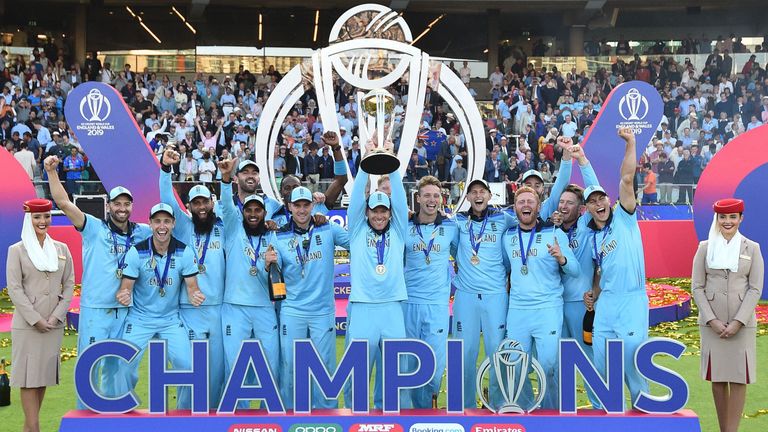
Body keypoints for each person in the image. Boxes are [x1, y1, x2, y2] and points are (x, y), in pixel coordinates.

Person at [43, 156, 152, 408]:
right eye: (117, 203)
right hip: (96, 310)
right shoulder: (92, 228)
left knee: (121, 367)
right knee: (89, 367)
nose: (122, 208)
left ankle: (118, 414)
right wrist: (51, 172)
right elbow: (62, 202)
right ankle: (86, 419)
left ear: (131, 206)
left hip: (127, 311)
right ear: (109, 206)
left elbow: (169, 226)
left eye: (126, 204)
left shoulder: (142, 232)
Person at [115, 203, 205, 409]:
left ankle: (184, 412)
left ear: (173, 224)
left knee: (187, 366)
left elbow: (193, 288)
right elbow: (125, 288)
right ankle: (123, 411)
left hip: (170, 321)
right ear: (150, 224)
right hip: (140, 319)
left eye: (166, 221)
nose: (161, 226)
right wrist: (123, 295)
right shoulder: (137, 252)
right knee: (123, 365)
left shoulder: (185, 251)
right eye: (157, 221)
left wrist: (196, 296)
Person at [583, 128, 649, 410]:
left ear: (609, 202)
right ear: (587, 208)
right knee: (601, 364)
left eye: (601, 199)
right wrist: (593, 293)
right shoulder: (592, 237)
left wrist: (631, 143)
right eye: (593, 201)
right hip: (607, 303)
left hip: (632, 300)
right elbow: (601, 272)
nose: (599, 203)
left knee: (633, 362)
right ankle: (605, 418)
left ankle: (643, 415)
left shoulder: (625, 217)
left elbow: (626, 178)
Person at [269, 186, 349, 409]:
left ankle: (326, 416)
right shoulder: (279, 235)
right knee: (291, 365)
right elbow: (274, 273)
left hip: (322, 311)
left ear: (312, 206)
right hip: (292, 309)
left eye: (306, 205)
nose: (302, 210)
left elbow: (357, 241)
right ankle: (289, 416)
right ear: (289, 207)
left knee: (324, 367)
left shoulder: (328, 228)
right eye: (297, 205)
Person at [343, 138, 409, 409]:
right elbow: (357, 198)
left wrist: (391, 163)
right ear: (367, 212)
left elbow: (402, 200)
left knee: (394, 372)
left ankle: (389, 415)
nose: (379, 215)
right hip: (362, 308)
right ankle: (354, 416)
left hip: (392, 306)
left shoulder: (398, 230)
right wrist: (365, 162)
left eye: (384, 211)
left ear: (390, 213)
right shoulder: (357, 231)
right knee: (357, 372)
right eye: (374, 210)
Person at [159, 149, 227, 407]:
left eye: (204, 202)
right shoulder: (185, 227)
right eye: (195, 203)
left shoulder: (222, 226)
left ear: (212, 203)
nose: (201, 207)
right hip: (189, 310)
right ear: (189, 207)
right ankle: (185, 422)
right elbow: (167, 197)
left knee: (217, 374)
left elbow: (232, 205)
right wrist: (166, 169)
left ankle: (216, 424)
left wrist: (226, 178)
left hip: (218, 309)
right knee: (189, 375)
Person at [691, 198, 763, 432]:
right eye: (723, 217)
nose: (728, 221)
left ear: (741, 218)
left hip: (742, 326)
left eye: (733, 217)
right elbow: (697, 287)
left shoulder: (752, 248)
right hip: (712, 324)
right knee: (719, 379)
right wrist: (711, 320)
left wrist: (738, 322)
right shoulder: (705, 248)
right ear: (717, 219)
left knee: (739, 378)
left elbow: (755, 288)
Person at [504, 186, 579, 410]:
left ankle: (550, 413)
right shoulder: (507, 236)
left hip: (547, 308)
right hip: (517, 310)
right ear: (515, 207)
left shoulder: (554, 233)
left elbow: (575, 270)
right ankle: (526, 410)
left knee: (548, 365)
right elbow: (509, 268)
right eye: (521, 202)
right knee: (516, 366)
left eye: (530, 201)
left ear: (539, 207)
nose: (526, 205)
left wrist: (562, 258)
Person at [6, 199, 74, 432]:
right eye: (37, 217)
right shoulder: (17, 250)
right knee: (28, 379)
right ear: (28, 219)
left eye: (46, 216)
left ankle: (29, 429)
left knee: (42, 378)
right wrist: (36, 319)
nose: (42, 221)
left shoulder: (61, 249)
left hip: (53, 326)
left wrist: (55, 317)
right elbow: (15, 289)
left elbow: (69, 286)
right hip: (28, 326)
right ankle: (34, 428)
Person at [218, 157, 280, 409]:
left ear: (265, 213)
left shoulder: (273, 233)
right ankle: (237, 418)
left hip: (265, 308)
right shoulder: (233, 228)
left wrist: (270, 266)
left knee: (271, 366)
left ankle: (271, 417)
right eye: (249, 210)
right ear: (241, 211)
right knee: (235, 368)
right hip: (235, 308)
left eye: (258, 210)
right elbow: (225, 205)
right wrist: (224, 179)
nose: (253, 214)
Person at [452, 178, 518, 409]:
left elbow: (527, 223)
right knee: (464, 354)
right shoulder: (458, 221)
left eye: (482, 191)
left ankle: (498, 404)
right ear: (467, 197)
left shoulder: (504, 219)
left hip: (495, 295)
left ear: (490, 196)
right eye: (473, 192)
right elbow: (451, 247)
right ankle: (463, 405)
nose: (478, 196)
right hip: (466, 295)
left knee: (498, 353)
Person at [550, 145, 602, 408]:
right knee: (557, 360)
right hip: (556, 305)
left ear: (581, 208)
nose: (564, 205)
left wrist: (583, 160)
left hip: (582, 305)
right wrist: (565, 161)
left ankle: (599, 408)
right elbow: (556, 188)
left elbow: (596, 194)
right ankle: (560, 411)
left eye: (570, 203)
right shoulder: (552, 229)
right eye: (561, 202)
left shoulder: (584, 226)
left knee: (589, 358)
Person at [403, 176, 458, 408]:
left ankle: (427, 412)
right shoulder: (404, 226)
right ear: (417, 198)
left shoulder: (451, 227)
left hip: (437, 305)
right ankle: (406, 415)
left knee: (434, 366)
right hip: (409, 303)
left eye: (436, 195)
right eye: (427, 195)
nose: (432, 200)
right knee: (407, 364)